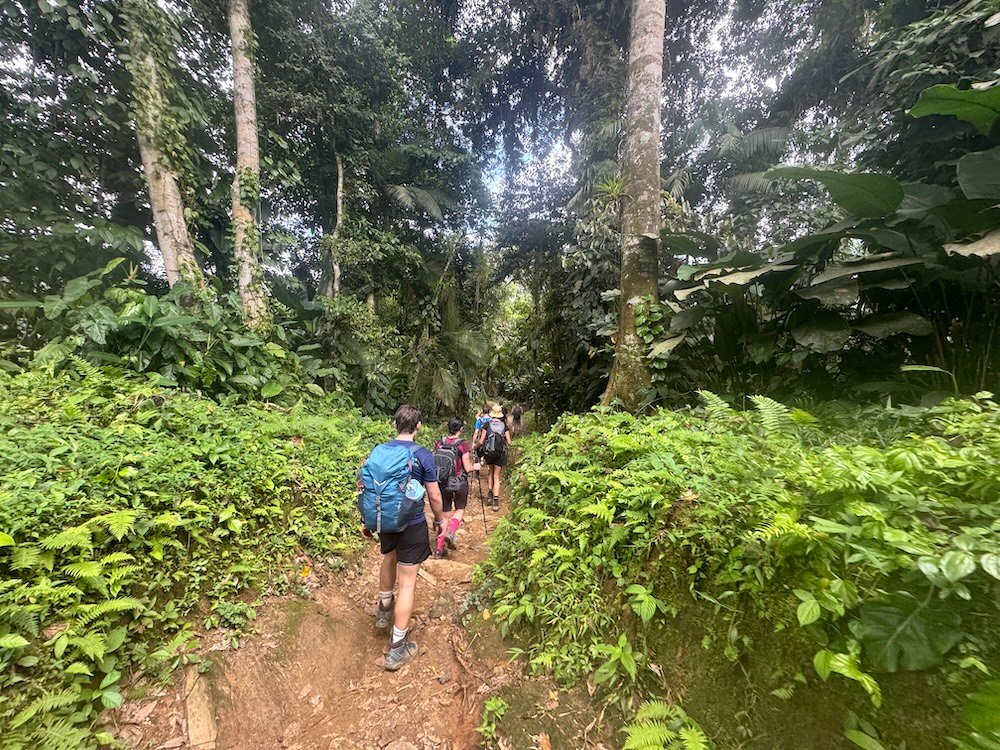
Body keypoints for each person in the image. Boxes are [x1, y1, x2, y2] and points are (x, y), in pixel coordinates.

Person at [358, 404, 444, 671]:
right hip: (412, 523)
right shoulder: (423, 456)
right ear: (418, 427)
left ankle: (384, 608)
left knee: (388, 558)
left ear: (395, 425)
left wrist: (366, 519)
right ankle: (397, 648)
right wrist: (440, 521)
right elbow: (435, 496)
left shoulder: (379, 452)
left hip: (384, 520)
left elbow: (368, 487)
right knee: (407, 582)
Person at [432, 418, 478, 558]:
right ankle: (451, 532)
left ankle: (439, 549)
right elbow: (467, 467)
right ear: (461, 429)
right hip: (459, 482)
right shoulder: (463, 444)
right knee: (459, 509)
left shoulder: (440, 442)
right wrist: (476, 466)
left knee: (444, 514)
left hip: (443, 483)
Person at [480, 403, 511, 512]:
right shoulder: (504, 426)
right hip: (499, 453)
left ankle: (489, 493)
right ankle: (496, 501)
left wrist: (477, 447)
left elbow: (481, 440)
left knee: (490, 472)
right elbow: (509, 442)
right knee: (496, 476)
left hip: (489, 452)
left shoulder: (487, 425)